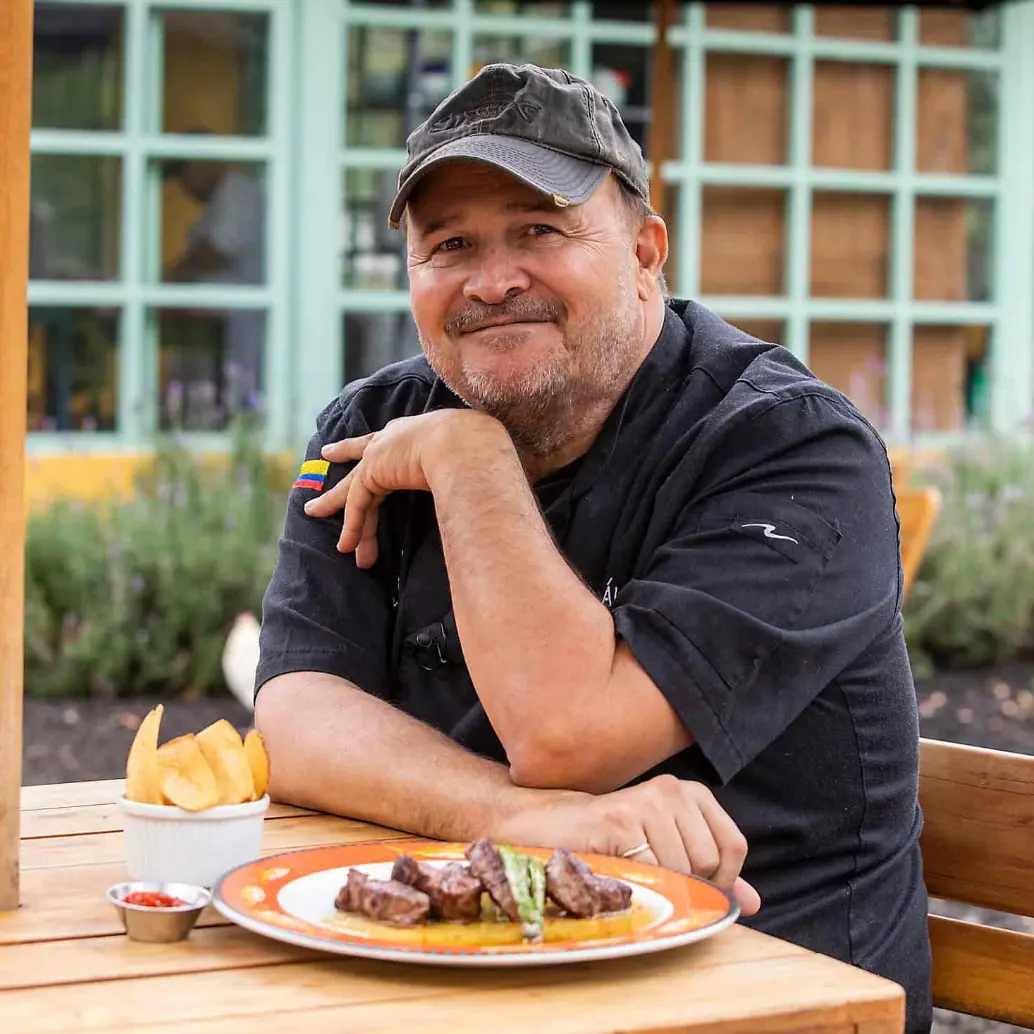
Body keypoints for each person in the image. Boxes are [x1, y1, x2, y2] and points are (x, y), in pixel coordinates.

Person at [254, 63, 932, 1032]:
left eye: (538, 229)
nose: (491, 279)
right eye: (450, 244)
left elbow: (566, 729)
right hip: (487, 982)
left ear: (646, 251)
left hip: (768, 995)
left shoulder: (793, 449)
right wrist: (519, 815)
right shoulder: (368, 424)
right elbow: (293, 712)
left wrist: (466, 455)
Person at [162, 146, 265, 411]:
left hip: (247, 314)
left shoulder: (238, 194)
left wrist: (165, 279)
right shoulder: (219, 201)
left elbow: (213, 253)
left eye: (183, 174)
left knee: (243, 390)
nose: (184, 187)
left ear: (201, 162)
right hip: (224, 319)